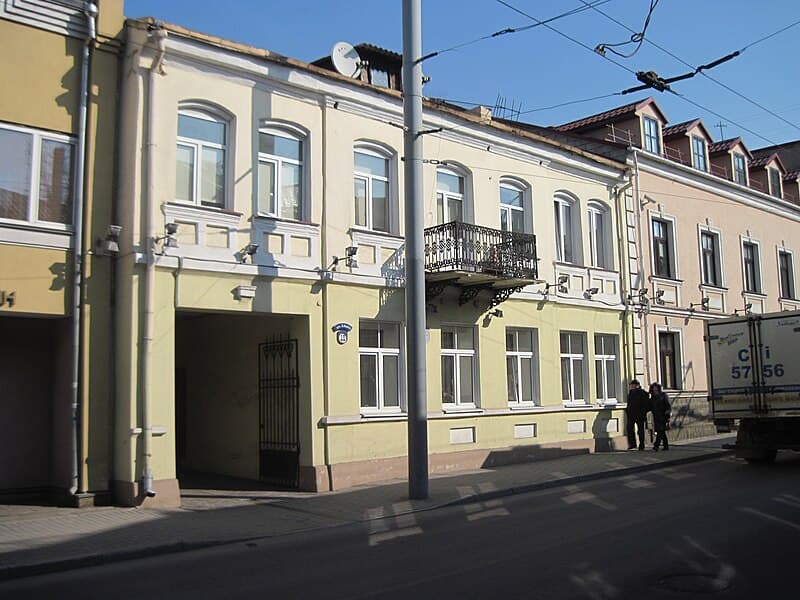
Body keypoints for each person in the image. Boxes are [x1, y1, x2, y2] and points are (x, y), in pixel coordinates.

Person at [626, 379, 650, 450]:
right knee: (629, 429)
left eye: (633, 385)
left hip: (640, 415)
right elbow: (629, 404)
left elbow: (646, 404)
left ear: (637, 385)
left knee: (640, 430)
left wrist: (642, 412)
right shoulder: (630, 393)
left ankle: (641, 444)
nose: (632, 387)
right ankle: (632, 444)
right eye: (631, 385)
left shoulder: (643, 393)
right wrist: (628, 411)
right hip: (631, 415)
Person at [650, 382, 671, 451]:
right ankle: (665, 446)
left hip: (663, 415)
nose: (654, 390)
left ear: (659, 389)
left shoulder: (663, 395)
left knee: (660, 431)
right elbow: (650, 406)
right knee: (661, 432)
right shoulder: (653, 397)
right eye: (653, 388)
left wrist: (668, 412)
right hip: (656, 416)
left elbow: (668, 405)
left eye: (656, 388)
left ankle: (656, 445)